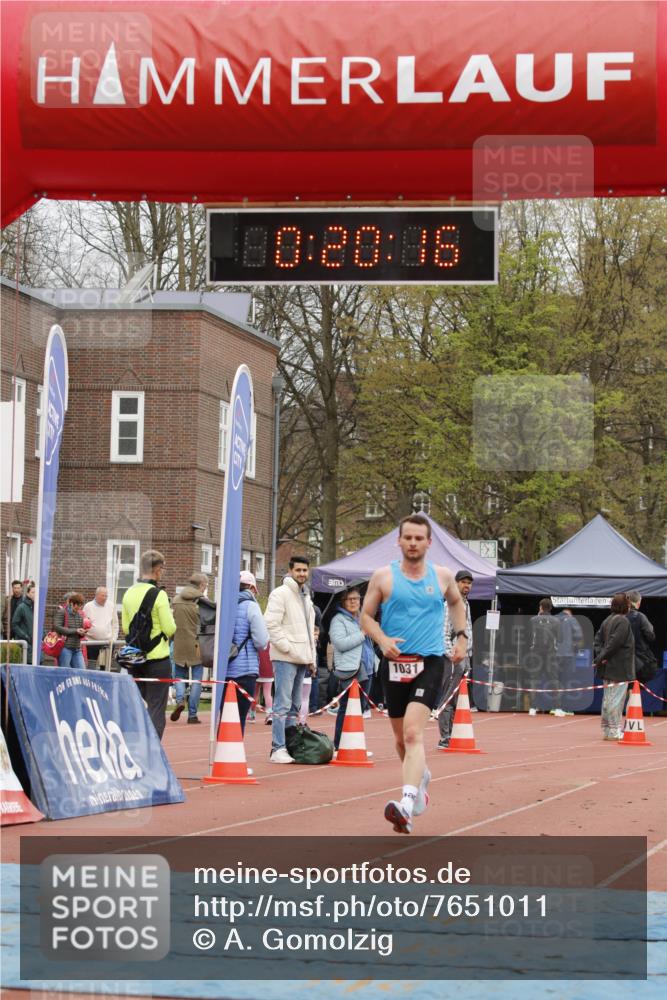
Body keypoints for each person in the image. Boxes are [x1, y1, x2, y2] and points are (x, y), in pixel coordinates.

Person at [361, 513, 467, 834]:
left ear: (428, 543)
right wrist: (382, 640)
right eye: (407, 537)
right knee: (399, 740)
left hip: (431, 661)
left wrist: (460, 636)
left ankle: (405, 804)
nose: (412, 543)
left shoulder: (443, 575)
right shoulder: (383, 577)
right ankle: (419, 781)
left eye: (419, 538)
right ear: (399, 540)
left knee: (412, 733)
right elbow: (366, 617)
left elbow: (457, 603)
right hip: (394, 663)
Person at [264, 555, 316, 764]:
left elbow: (308, 630)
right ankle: (277, 747)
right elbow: (271, 623)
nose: (302, 574)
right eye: (298, 570)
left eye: (305, 570)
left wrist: (310, 657)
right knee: (282, 704)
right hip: (286, 657)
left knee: (294, 705)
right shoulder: (280, 594)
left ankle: (290, 744)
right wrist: (286, 647)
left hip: (301, 657)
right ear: (290, 570)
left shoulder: (305, 596)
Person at [122, 549, 176, 740]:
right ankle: (153, 751)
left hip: (135, 659)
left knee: (140, 706)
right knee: (156, 707)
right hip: (157, 659)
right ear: (157, 569)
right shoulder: (159, 595)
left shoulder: (128, 593)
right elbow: (170, 629)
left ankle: (138, 745)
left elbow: (126, 628)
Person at [329, 587, 375, 752]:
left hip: (367, 668)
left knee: (360, 708)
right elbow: (340, 644)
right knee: (347, 707)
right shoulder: (338, 620)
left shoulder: (362, 618)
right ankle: (339, 744)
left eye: (356, 598)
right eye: (350, 599)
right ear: (343, 602)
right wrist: (362, 633)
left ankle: (354, 743)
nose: (354, 602)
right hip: (351, 669)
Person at [227, 570, 270, 734]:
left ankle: (222, 752)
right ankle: (234, 754)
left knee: (225, 716)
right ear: (251, 588)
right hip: (245, 669)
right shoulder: (251, 606)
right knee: (239, 718)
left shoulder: (225, 604)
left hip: (225, 669)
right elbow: (261, 641)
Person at [437, 569, 474, 749]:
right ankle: (445, 737)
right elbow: (443, 633)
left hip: (464, 656)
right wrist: (451, 656)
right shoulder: (448, 605)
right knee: (448, 698)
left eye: (469, 583)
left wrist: (468, 654)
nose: (466, 585)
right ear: (456, 583)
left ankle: (453, 735)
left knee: (458, 698)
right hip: (452, 658)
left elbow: (468, 631)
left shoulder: (466, 604)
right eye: (463, 582)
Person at [593, 592, 635, 741]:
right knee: (615, 701)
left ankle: (607, 729)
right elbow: (614, 644)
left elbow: (597, 641)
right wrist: (601, 658)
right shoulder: (623, 621)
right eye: (629, 604)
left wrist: (601, 658)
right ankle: (615, 730)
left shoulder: (607, 620)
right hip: (619, 668)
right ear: (625, 606)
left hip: (608, 668)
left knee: (607, 700)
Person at [171, 572, 209, 725]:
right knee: (197, 680)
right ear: (200, 585)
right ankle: (192, 715)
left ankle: (180, 700)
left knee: (179, 676)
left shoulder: (176, 600)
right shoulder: (202, 602)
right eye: (205, 586)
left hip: (179, 643)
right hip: (197, 645)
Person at [527, 598, 560, 715]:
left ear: (540, 607)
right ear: (550, 608)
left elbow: (528, 637)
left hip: (536, 654)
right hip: (551, 654)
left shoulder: (533, 620)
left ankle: (532, 708)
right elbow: (559, 638)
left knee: (534, 680)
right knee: (554, 680)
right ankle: (556, 708)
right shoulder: (556, 621)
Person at [552, 607, 584, 715]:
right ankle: (565, 708)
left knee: (555, 681)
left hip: (553, 655)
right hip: (567, 655)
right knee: (566, 681)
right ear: (569, 612)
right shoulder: (571, 619)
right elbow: (578, 636)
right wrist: (575, 646)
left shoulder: (553, 619)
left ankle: (554, 707)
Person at [82, 586, 119, 669]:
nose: (105, 598)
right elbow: (83, 623)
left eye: (106, 595)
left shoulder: (111, 606)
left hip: (107, 642)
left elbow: (115, 624)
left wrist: (114, 638)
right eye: (102, 595)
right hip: (91, 642)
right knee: (91, 666)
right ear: (96, 595)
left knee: (105, 667)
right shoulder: (88, 606)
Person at [626, 590, 658, 683]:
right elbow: (651, 636)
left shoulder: (618, 617)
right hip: (640, 664)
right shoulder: (640, 617)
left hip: (621, 664)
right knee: (634, 690)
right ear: (639, 603)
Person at [53, 592, 88, 668]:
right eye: (77, 605)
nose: (78, 608)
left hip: (77, 648)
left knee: (82, 672)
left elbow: (79, 632)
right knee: (64, 673)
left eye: (80, 606)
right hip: (65, 648)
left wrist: (82, 633)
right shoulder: (62, 612)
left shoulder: (79, 615)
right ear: (71, 603)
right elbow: (57, 627)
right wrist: (76, 631)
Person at [11, 582, 35, 663]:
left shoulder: (37, 607)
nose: (35, 594)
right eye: (33, 592)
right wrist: (25, 636)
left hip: (36, 644)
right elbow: (14, 623)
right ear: (27, 593)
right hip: (25, 641)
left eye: (36, 592)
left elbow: (40, 624)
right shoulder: (21, 606)